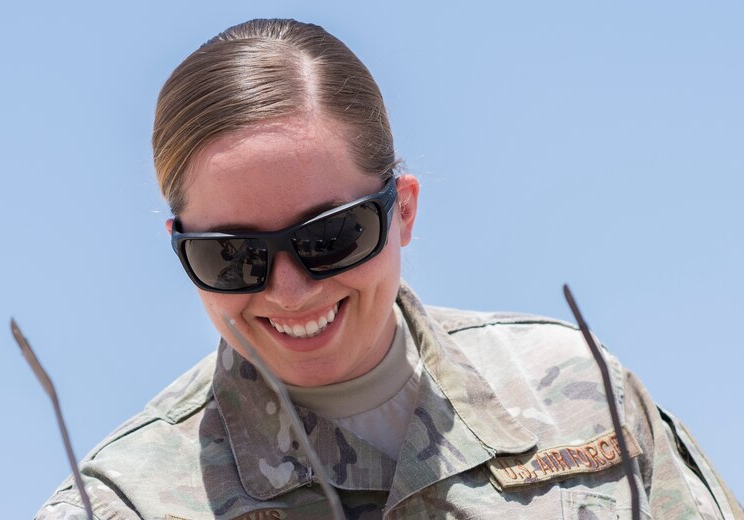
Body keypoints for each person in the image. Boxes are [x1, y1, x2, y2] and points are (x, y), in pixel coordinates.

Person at [36, 18, 743, 520]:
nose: (290, 289)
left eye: (331, 236)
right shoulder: (124, 503)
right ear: (181, 250)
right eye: (234, 256)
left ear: (401, 210)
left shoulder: (585, 397)